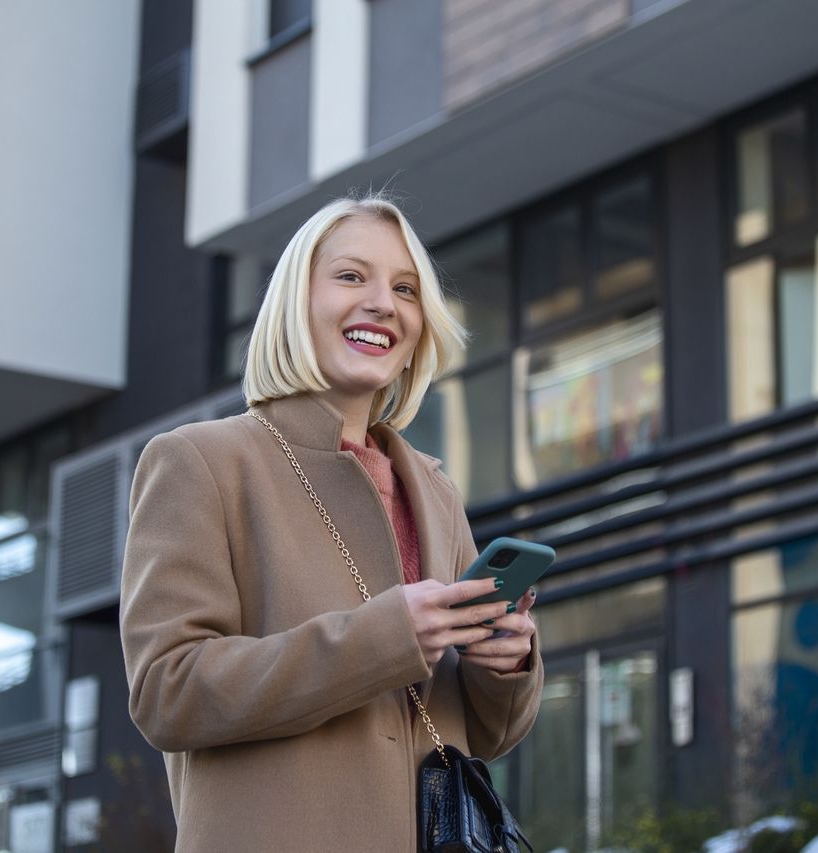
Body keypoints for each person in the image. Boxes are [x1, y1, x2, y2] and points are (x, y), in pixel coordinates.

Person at [120, 193, 543, 852]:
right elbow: (166, 691)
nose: (382, 302)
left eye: (405, 289)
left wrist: (503, 663)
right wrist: (383, 637)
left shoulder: (433, 488)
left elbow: (482, 733)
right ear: (296, 302)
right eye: (351, 276)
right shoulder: (200, 462)